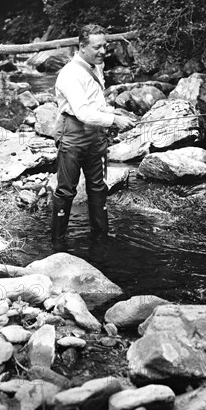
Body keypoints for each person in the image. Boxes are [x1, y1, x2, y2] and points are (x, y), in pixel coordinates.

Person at [51, 24, 135, 247]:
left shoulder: (97, 66)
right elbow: (83, 112)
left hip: (96, 135)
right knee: (66, 190)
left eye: (105, 46)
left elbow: (95, 105)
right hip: (73, 134)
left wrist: (113, 112)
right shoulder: (70, 74)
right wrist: (114, 120)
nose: (102, 51)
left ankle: (101, 238)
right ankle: (58, 243)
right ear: (82, 47)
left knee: (98, 187)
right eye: (97, 47)